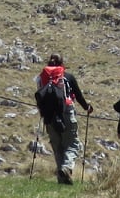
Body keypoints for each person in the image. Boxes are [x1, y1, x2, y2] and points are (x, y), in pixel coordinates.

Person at [35, 53, 93, 185]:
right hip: (67, 111)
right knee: (72, 144)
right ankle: (66, 168)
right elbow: (78, 95)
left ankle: (62, 179)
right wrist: (87, 107)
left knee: (57, 146)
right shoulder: (67, 77)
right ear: (62, 64)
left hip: (49, 115)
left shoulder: (41, 78)